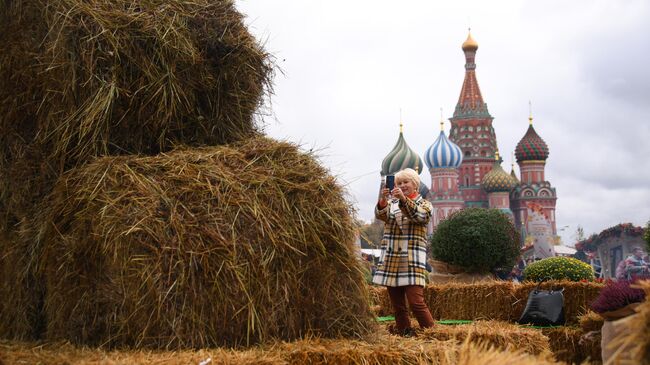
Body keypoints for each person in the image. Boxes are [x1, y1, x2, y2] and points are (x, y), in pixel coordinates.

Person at [372, 168, 434, 336]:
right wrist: (383, 200)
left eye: (406, 182)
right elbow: (381, 216)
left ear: (415, 185)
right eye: (399, 183)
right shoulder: (392, 203)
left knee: (416, 302)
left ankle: (432, 333)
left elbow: (419, 216)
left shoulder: (425, 204)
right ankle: (405, 334)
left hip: (412, 258)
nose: (402, 185)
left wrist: (403, 200)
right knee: (398, 306)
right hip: (392, 259)